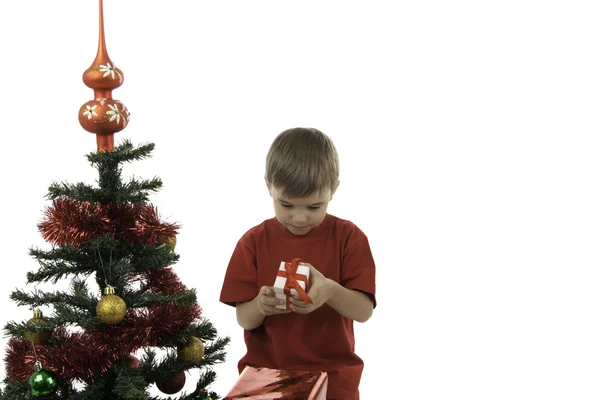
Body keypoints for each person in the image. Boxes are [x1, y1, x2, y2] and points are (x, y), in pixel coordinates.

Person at [219, 127, 376, 400]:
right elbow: (244, 318)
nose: (300, 218)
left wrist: (329, 290)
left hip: (334, 377)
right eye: (287, 205)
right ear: (269, 186)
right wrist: (261, 305)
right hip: (265, 375)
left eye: (314, 207)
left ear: (333, 189)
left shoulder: (349, 237)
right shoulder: (253, 242)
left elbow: (363, 312)